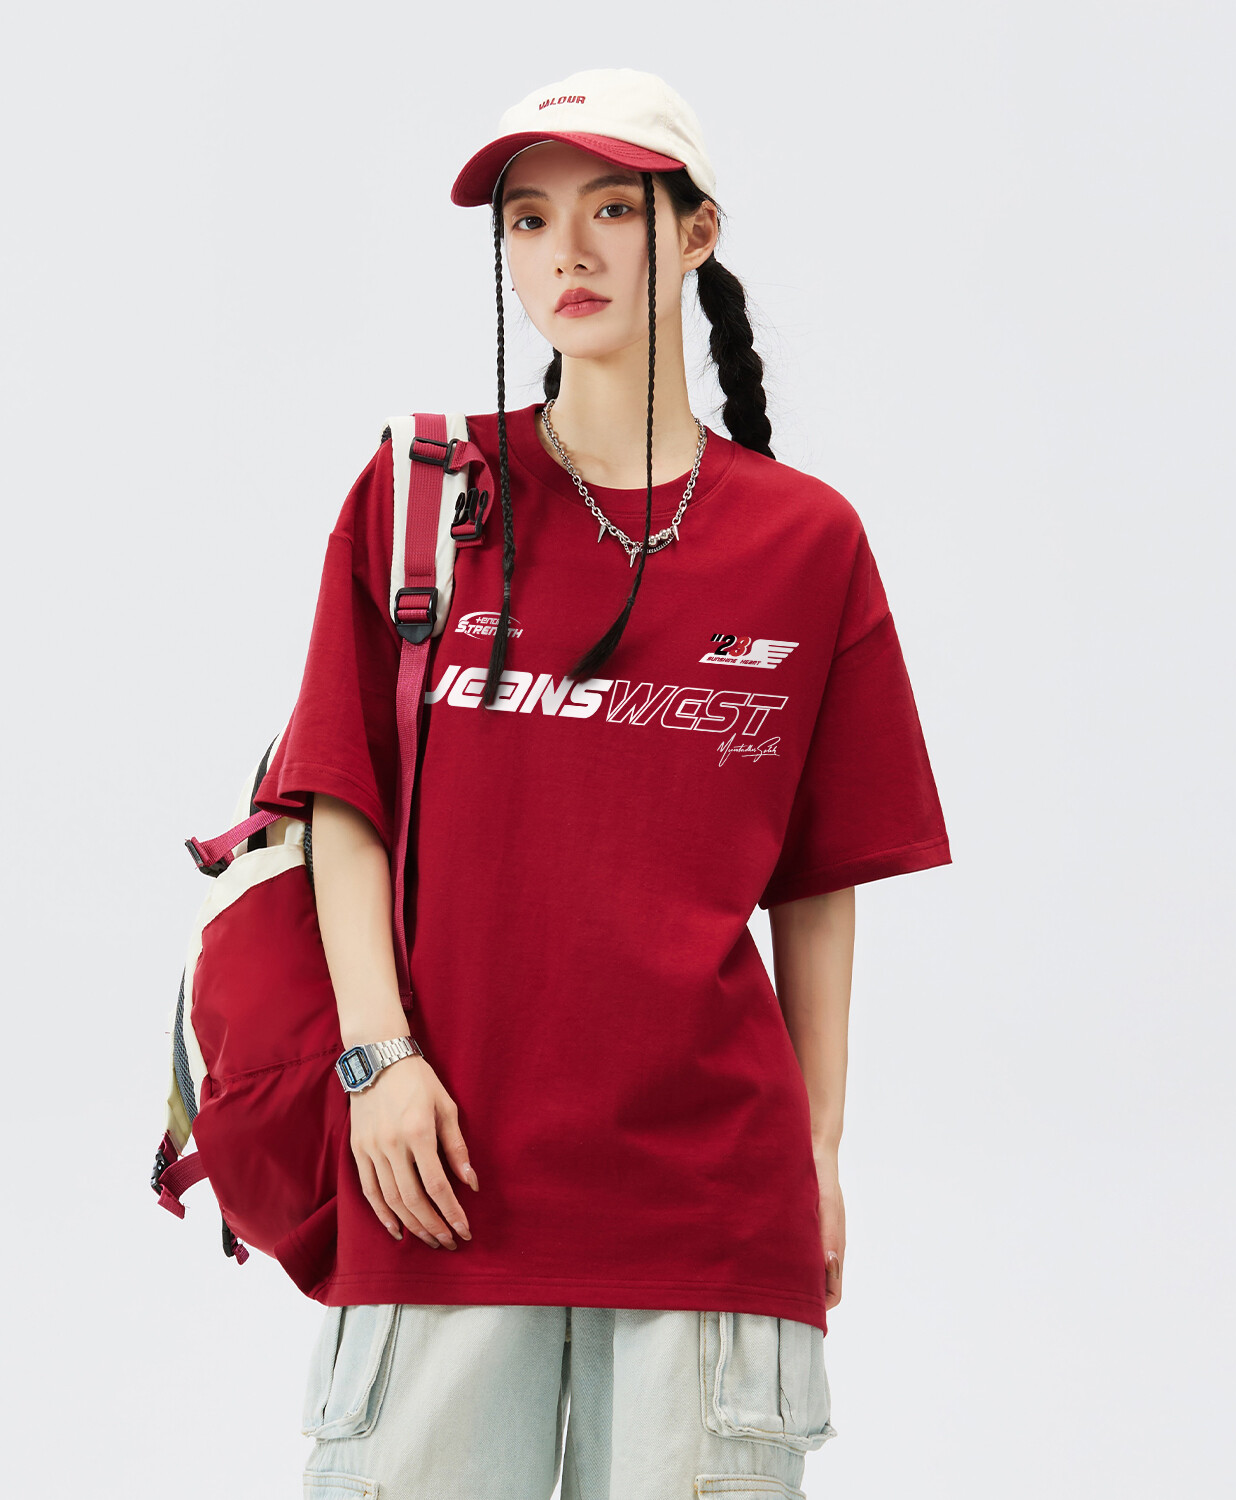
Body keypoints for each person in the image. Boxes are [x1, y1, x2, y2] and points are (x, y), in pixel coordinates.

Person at [256, 66, 952, 1500]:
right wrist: (376, 1060)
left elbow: (818, 882)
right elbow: (340, 800)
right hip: (437, 1186)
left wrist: (818, 1155)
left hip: (710, 1204)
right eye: (528, 218)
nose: (564, 251)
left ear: (694, 233)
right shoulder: (422, 500)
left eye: (612, 211)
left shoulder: (807, 542)